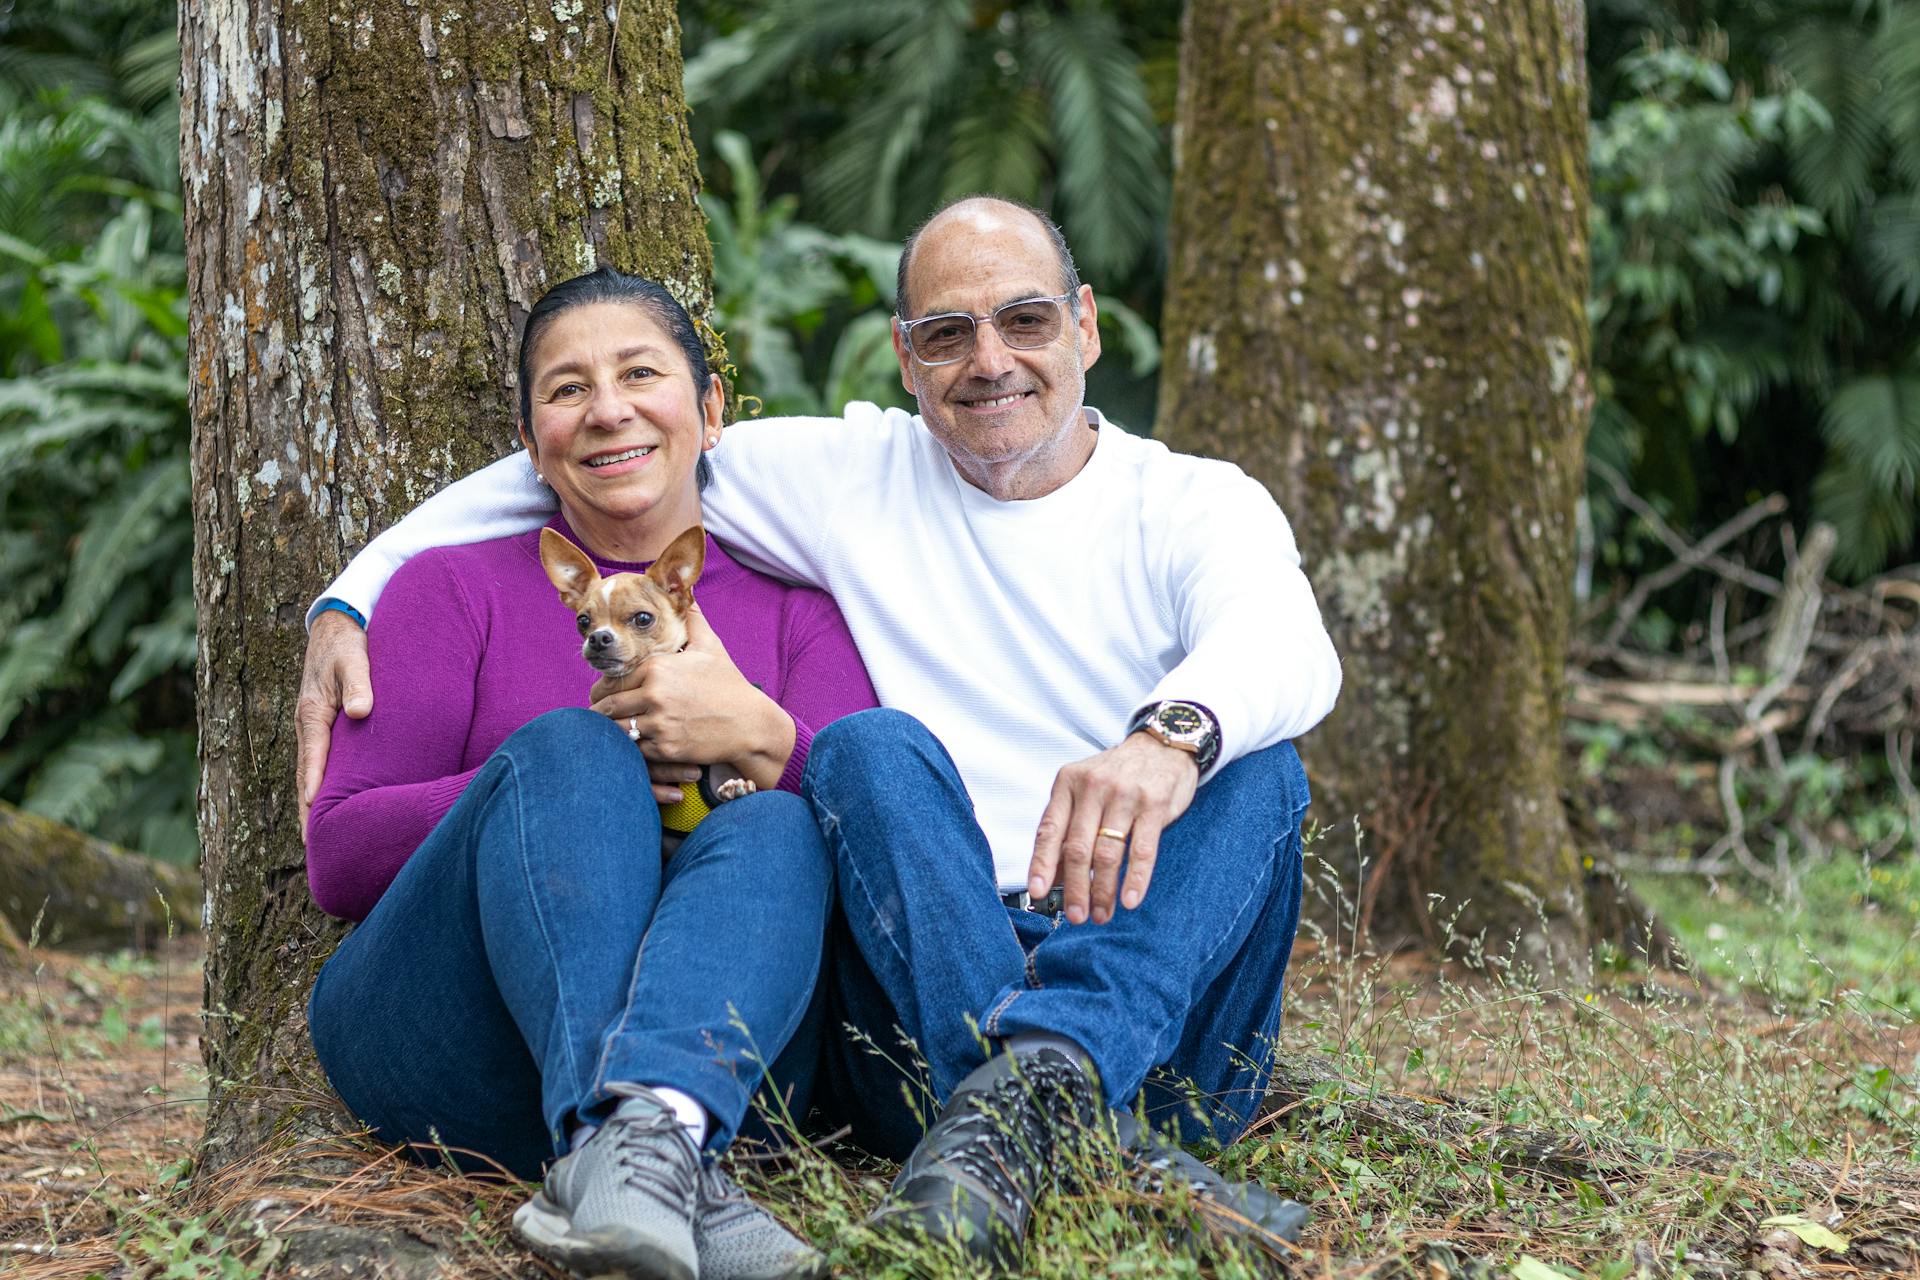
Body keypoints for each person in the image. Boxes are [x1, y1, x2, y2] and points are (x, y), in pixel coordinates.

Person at [302, 197, 1342, 1269]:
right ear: (906, 356)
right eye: (947, 333)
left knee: (1258, 763)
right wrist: (351, 589)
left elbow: (1288, 640)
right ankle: (1046, 1121)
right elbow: (607, 458)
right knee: (866, 750)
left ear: (1085, 324)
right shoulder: (849, 477)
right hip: (935, 972)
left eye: (1024, 320)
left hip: (1149, 986)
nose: (989, 360)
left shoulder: (1194, 503)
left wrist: (1166, 740)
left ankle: (1040, 1091)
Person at [303, 267, 877, 1280]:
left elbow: (861, 838)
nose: (607, 409)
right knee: (576, 743)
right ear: (530, 441)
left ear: (710, 408)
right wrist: (546, 785)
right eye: (567, 388)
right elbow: (340, 855)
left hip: (724, 1058)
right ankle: (638, 1149)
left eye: (640, 373)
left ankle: (646, 1146)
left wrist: (752, 739)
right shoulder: (449, 587)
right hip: (449, 1038)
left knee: (781, 822)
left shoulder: (801, 612)